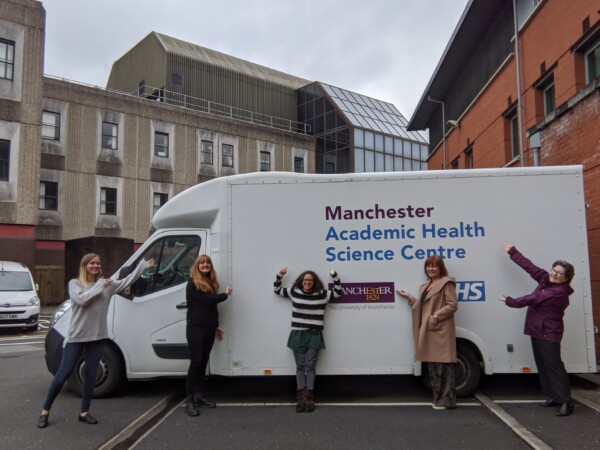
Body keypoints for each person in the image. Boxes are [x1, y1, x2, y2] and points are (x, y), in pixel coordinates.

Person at [37, 253, 155, 429]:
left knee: (91, 375)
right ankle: (45, 410)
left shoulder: (107, 286)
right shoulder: (75, 284)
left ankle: (84, 412)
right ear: (85, 266)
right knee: (63, 372)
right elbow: (82, 300)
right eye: (92, 263)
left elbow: (126, 281)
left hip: (98, 337)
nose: (95, 266)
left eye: (98, 263)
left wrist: (142, 268)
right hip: (77, 337)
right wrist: (100, 284)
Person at [499, 243, 575, 417]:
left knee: (554, 367)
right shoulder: (545, 279)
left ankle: (566, 402)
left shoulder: (559, 291)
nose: (555, 274)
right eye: (554, 270)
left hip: (549, 334)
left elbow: (534, 298)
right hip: (537, 330)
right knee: (543, 366)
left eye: (560, 273)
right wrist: (513, 252)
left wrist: (511, 301)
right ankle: (553, 397)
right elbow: (529, 267)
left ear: (566, 278)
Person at [273, 267, 342, 413]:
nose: (307, 282)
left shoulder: (322, 294)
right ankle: (300, 398)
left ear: (314, 282)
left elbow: (338, 292)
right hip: (298, 334)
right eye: (305, 280)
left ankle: (309, 398)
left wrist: (335, 276)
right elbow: (277, 290)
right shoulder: (294, 292)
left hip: (314, 334)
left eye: (310, 280)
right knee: (300, 366)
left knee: (310, 366)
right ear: (301, 281)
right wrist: (280, 275)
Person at [396, 255, 458, 410]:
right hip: (429, 330)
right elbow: (424, 307)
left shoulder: (447, 283)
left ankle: (448, 400)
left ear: (440, 268)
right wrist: (410, 298)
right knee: (433, 367)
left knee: (444, 366)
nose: (431, 269)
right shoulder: (425, 287)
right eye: (428, 266)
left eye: (434, 266)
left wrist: (436, 316)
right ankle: (438, 399)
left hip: (441, 330)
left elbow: (452, 305)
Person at [184, 254, 232, 417]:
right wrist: (225, 294)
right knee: (196, 362)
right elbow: (208, 301)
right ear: (197, 266)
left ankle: (198, 396)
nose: (205, 265)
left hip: (208, 328)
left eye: (207, 263)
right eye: (202, 263)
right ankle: (189, 400)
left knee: (203, 362)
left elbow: (211, 309)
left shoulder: (210, 282)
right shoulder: (192, 283)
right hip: (195, 329)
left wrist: (215, 325)